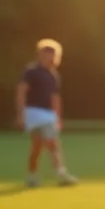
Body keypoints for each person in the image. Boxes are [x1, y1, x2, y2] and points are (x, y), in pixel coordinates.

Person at [16, 39, 78, 187]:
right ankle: (58, 174)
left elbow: (55, 98)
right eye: (46, 54)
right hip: (33, 113)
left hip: (48, 115)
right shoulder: (30, 72)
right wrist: (20, 114)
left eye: (52, 54)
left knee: (45, 144)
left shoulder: (53, 75)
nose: (49, 57)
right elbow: (21, 92)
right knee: (45, 145)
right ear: (39, 55)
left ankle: (35, 176)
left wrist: (58, 117)